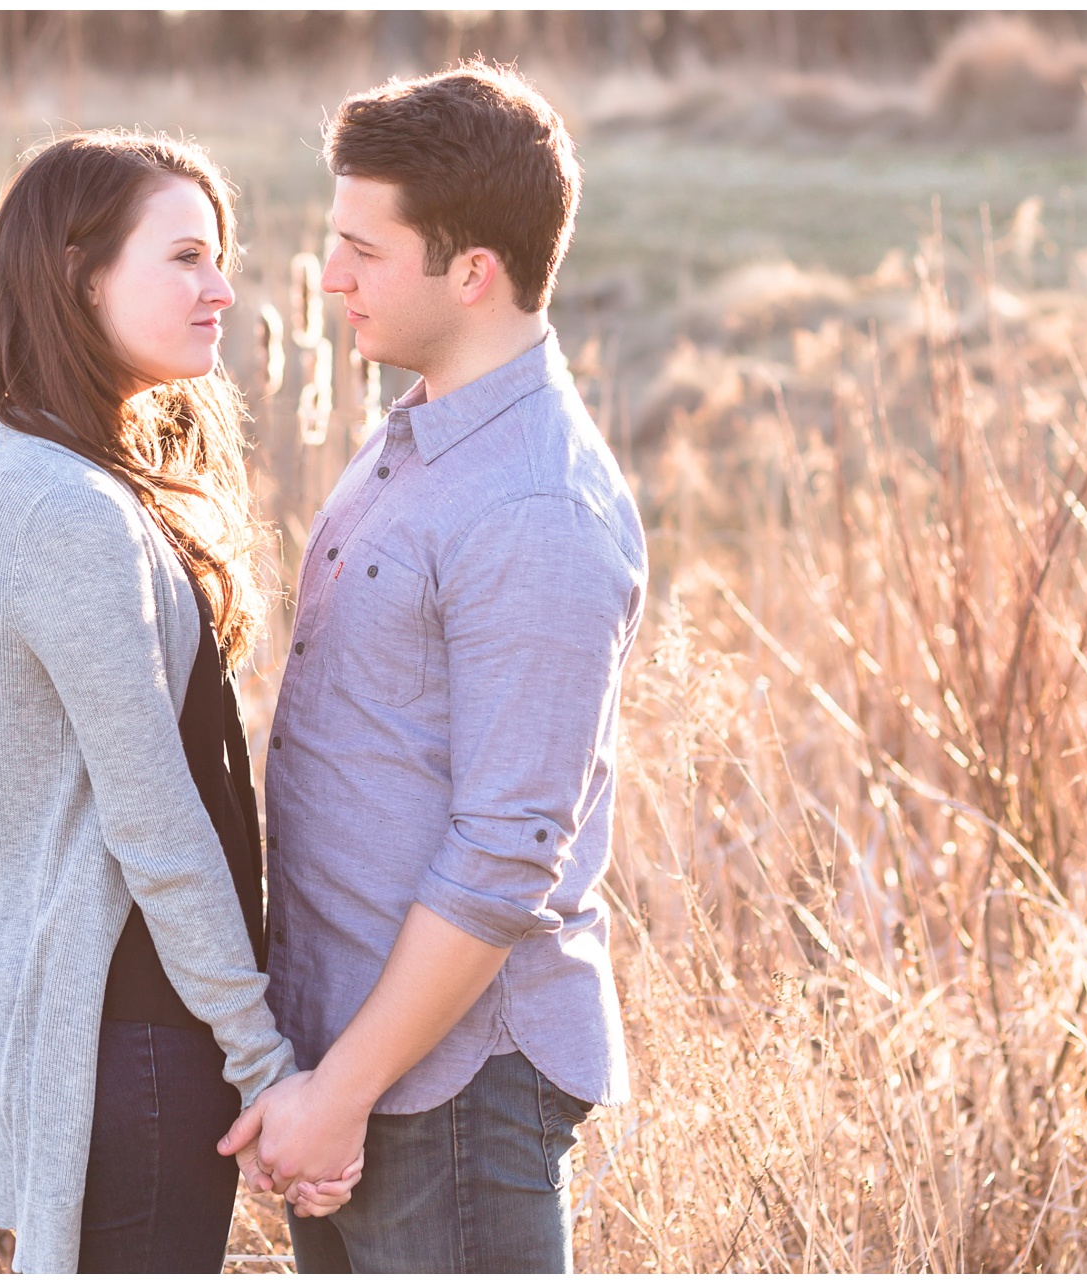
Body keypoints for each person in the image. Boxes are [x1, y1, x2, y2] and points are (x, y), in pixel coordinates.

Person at [218, 64, 648, 1273]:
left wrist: (342, 1090)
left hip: (451, 1087)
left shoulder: (535, 510)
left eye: (363, 250)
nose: (330, 276)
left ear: (472, 274)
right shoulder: (419, 433)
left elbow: (506, 849)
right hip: (359, 1065)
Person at [0, 129, 358, 1275]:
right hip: (130, 1043)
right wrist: (261, 1062)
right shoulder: (64, 510)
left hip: (139, 1037)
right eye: (185, 257)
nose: (222, 290)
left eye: (221, 258)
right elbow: (156, 820)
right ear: (80, 276)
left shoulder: (72, 484)